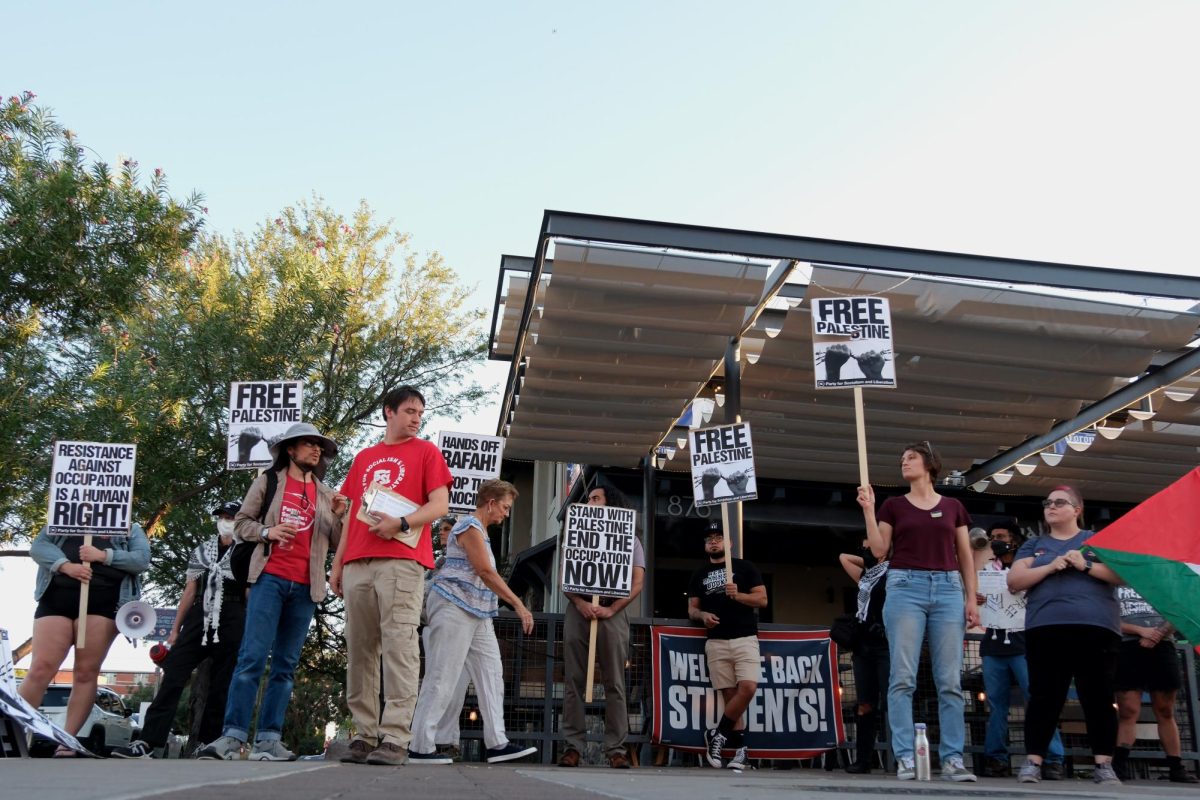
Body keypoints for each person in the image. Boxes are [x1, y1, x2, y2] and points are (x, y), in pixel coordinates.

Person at [198, 423, 347, 761]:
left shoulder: (327, 494)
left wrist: (339, 518)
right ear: (290, 450)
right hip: (269, 579)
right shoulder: (268, 481)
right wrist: (269, 531)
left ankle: (268, 740)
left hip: (307, 587)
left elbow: (337, 543)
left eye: (319, 447)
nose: (316, 450)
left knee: (286, 665)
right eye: (309, 444)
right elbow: (240, 524)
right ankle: (232, 736)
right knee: (251, 658)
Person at [330, 386, 452, 766]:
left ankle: (396, 737)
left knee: (400, 645)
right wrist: (337, 564)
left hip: (402, 559)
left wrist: (401, 522)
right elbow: (350, 515)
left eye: (420, 413)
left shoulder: (427, 452)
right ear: (389, 412)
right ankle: (365, 735)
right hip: (357, 563)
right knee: (360, 650)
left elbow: (440, 505)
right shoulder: (364, 458)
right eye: (410, 411)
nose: (417, 418)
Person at [857, 441, 978, 782]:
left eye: (911, 457)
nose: (904, 462)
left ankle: (954, 758)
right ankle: (907, 756)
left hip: (948, 587)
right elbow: (880, 550)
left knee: (950, 680)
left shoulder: (953, 506)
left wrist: (971, 598)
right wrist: (869, 509)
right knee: (902, 677)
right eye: (901, 459)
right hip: (904, 585)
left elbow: (965, 554)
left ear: (930, 464)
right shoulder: (894, 505)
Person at [408, 480, 537, 764]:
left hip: (479, 613)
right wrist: (519, 605)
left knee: (492, 674)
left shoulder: (482, 532)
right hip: (454, 606)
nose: (506, 514)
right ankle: (420, 745)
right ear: (490, 502)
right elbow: (485, 571)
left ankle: (497, 743)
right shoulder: (468, 525)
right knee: (442, 675)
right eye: (505, 507)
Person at [113, 501, 252, 759]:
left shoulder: (247, 551)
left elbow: (249, 591)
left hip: (233, 614)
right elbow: (189, 590)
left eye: (230, 517)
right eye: (221, 516)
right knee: (173, 674)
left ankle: (208, 743)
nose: (225, 521)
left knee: (222, 682)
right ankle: (148, 741)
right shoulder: (202, 551)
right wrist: (175, 629)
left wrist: (250, 625)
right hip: (200, 613)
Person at [1008, 486, 1123, 785]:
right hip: (1046, 627)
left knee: (1098, 697)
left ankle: (1103, 764)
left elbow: (1120, 574)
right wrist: (1048, 566)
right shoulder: (1033, 545)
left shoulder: (1095, 541)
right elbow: (1015, 580)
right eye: (1047, 502)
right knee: (1044, 696)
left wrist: (1084, 565)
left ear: (1077, 510)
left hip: (1096, 627)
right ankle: (1034, 761)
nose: (1051, 506)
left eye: (1060, 502)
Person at [19, 522, 151, 757]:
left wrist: (104, 555)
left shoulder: (129, 528)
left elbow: (140, 560)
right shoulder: (62, 520)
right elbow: (39, 547)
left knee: (85, 671)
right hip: (55, 599)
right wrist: (66, 566)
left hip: (103, 603)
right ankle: (15, 734)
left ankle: (67, 740)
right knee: (40, 669)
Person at [558, 483, 646, 769]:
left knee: (615, 683)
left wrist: (611, 609)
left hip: (613, 612)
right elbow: (564, 577)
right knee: (573, 679)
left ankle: (616, 749)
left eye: (596, 498)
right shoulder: (575, 536)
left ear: (611, 503)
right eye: (589, 498)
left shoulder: (630, 540)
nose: (590, 502)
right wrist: (581, 604)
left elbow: (637, 582)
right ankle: (573, 747)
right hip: (578, 610)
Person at [973, 521, 1065, 779]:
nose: (995, 541)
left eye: (1000, 536)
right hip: (993, 642)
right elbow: (976, 602)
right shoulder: (987, 570)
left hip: (1025, 642)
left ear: (1014, 540)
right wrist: (976, 597)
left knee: (1037, 700)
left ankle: (1052, 758)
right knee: (996, 704)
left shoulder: (1030, 568)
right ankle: (996, 758)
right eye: (992, 537)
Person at [688, 521, 767, 773]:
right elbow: (692, 609)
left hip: (744, 638)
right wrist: (702, 616)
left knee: (748, 687)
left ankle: (716, 733)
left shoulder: (745, 567)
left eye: (719, 537)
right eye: (709, 538)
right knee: (731, 698)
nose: (713, 541)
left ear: (729, 543)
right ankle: (741, 752)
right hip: (716, 641)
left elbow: (762, 600)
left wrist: (739, 595)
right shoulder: (698, 574)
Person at [1111, 587, 1198, 783]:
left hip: (1163, 645)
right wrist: (1141, 630)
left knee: (1165, 710)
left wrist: (1158, 633)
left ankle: (1176, 766)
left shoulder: (1159, 578)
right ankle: (1119, 765)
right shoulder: (1114, 576)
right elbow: (1106, 615)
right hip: (1126, 646)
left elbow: (1179, 610)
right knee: (1128, 710)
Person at [838, 539, 889, 774]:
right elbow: (843, 557)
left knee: (892, 702)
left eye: (868, 547)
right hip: (863, 647)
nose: (863, 549)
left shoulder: (895, 573)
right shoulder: (866, 577)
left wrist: (882, 557)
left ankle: (901, 757)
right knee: (865, 704)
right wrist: (870, 559)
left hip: (886, 646)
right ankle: (863, 759)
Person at [423, 516, 470, 761]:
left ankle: (449, 739)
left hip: (463, 628)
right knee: (437, 681)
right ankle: (431, 740)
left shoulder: (472, 558)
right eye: (441, 529)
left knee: (457, 685)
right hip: (435, 627)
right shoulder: (434, 564)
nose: (442, 533)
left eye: (448, 529)